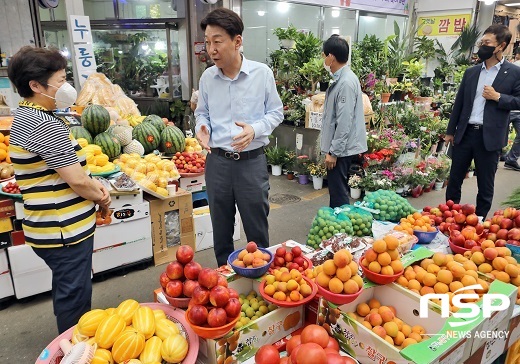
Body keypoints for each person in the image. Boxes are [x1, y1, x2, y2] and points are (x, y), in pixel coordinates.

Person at [7, 46, 111, 333]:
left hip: (46, 227)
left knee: (67, 285)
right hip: (64, 230)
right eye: (61, 80)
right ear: (36, 85)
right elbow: (76, 180)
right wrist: (102, 195)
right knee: (75, 296)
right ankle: (72, 349)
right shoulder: (43, 125)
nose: (66, 86)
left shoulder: (26, 116)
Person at [195, 8, 283, 267]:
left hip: (251, 164)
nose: (211, 49)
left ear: (237, 41)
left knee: (256, 230)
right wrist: (202, 127)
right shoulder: (207, 78)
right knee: (221, 230)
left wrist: (255, 129)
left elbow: (276, 112)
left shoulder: (261, 74)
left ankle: (260, 280)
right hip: (218, 164)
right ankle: (225, 283)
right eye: (208, 42)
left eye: (217, 41)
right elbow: (203, 114)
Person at [445, 24, 520, 218]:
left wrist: (498, 97)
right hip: (465, 133)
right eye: (482, 42)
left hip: (490, 137)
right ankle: (450, 216)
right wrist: (450, 131)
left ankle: (478, 222)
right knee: (454, 180)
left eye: (487, 43)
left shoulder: (513, 72)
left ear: (500, 46)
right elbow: (459, 103)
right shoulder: (472, 72)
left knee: (485, 184)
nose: (482, 46)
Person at [320, 35, 367, 208]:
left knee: (338, 191)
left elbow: (344, 121)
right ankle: (339, 225)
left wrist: (334, 152)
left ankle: (341, 229)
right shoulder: (343, 79)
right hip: (342, 148)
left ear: (331, 57)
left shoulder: (345, 82)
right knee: (337, 189)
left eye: (324, 55)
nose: (323, 59)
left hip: (342, 149)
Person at [505, 48, 520, 171]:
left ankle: (510, 158)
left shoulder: (510, 67)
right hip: (509, 108)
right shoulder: (513, 67)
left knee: (498, 133)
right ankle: (510, 158)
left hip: (509, 108)